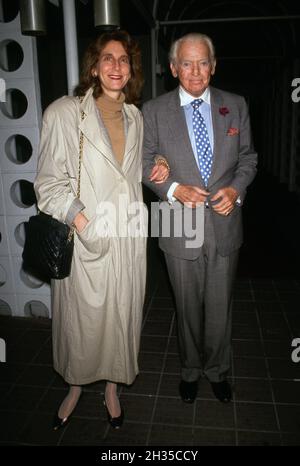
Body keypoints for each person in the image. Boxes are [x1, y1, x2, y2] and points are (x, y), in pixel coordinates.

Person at [34, 30, 169, 430]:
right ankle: (74, 386)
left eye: (124, 59)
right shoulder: (63, 113)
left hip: (128, 237)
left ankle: (112, 387)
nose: (116, 66)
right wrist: (82, 222)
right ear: (93, 67)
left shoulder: (135, 116)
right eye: (107, 58)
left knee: (121, 318)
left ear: (131, 71)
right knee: (82, 322)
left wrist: (156, 163)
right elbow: (47, 185)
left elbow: (131, 168)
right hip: (87, 238)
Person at [143, 33, 257, 404]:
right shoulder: (153, 111)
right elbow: (142, 163)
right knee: (186, 305)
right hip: (176, 220)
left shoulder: (235, 104)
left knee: (220, 306)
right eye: (187, 63)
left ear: (213, 65)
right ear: (174, 68)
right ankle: (190, 370)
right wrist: (174, 189)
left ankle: (217, 370)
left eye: (203, 62)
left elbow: (248, 158)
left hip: (224, 222)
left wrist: (236, 190)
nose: (195, 71)